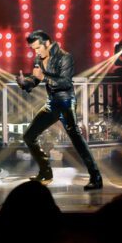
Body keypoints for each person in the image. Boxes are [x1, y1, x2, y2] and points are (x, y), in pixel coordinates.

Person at [16, 30, 103, 190]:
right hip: (52, 103)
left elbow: (65, 82)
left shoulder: (65, 57)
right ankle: (45, 173)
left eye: (37, 48)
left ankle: (96, 177)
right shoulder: (39, 58)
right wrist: (24, 82)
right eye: (33, 49)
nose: (36, 52)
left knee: (76, 139)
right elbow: (35, 79)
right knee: (29, 136)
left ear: (47, 43)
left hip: (65, 101)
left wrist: (43, 78)